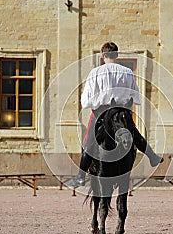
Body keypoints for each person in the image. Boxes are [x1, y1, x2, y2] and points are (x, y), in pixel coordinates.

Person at [70, 42, 163, 187]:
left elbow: (87, 98)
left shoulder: (95, 72)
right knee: (134, 134)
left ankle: (81, 176)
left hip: (102, 112)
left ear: (103, 55)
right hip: (122, 110)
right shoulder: (127, 72)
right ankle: (152, 157)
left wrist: (92, 105)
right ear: (117, 55)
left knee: (89, 141)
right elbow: (135, 95)